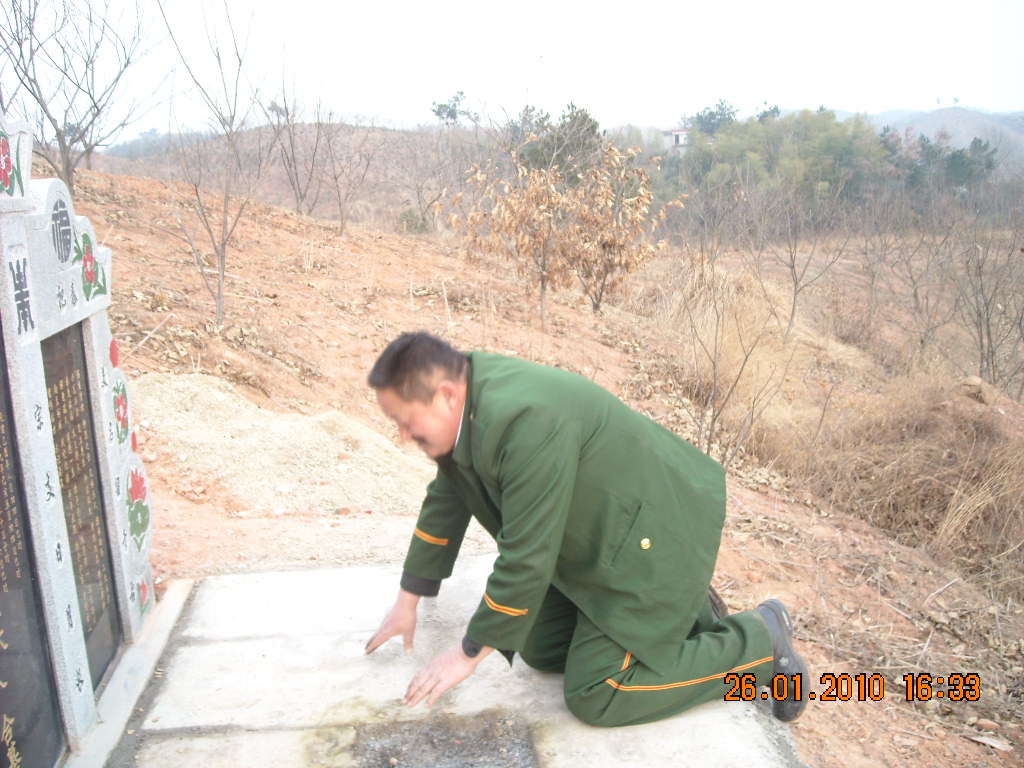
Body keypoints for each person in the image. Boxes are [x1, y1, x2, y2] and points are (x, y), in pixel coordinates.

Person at [364, 331, 808, 726]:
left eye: (406, 421)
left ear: (445, 395)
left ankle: (757, 641)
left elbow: (527, 556)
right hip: (605, 538)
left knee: (598, 692)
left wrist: (466, 654)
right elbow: (447, 495)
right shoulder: (470, 392)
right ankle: (685, 618)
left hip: (647, 541)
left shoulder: (523, 419)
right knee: (537, 647)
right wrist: (408, 600)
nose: (403, 434)